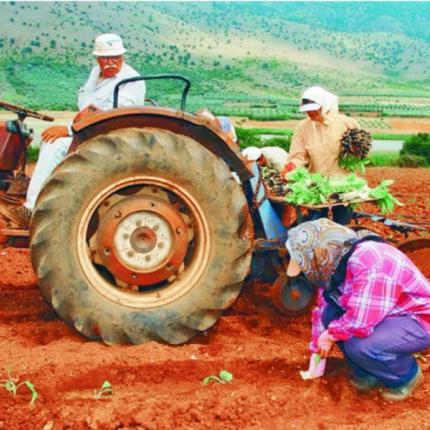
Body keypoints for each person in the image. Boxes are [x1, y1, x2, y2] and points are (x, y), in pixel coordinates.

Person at [0, 33, 146, 227]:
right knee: (49, 136)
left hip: (110, 135)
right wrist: (74, 124)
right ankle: (47, 196)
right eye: (105, 58)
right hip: (89, 130)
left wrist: (69, 129)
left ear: (123, 56)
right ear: (97, 58)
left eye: (115, 57)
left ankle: (31, 208)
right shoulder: (95, 74)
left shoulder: (131, 80)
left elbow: (110, 117)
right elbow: (86, 110)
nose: (110, 62)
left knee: (55, 144)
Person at [286, 218, 430, 401]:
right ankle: (369, 373)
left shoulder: (371, 262)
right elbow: (323, 309)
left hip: (418, 318)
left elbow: (360, 322)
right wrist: (317, 347)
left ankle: (405, 376)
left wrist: (330, 336)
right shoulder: (335, 265)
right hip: (385, 314)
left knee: (361, 345)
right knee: (331, 317)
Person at [283, 86, 361, 225]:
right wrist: (291, 167)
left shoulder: (346, 123)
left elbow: (362, 148)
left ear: (324, 105)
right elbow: (298, 155)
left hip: (344, 184)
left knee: (342, 226)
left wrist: (356, 151)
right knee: (317, 225)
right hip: (317, 185)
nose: (310, 112)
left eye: (314, 108)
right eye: (307, 110)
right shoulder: (303, 127)